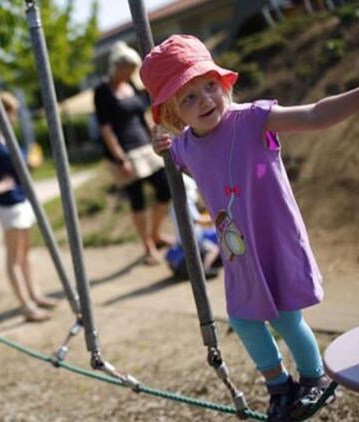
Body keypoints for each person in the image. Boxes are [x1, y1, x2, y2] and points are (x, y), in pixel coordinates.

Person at [141, 34, 348, 420]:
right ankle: (279, 386)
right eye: (188, 97)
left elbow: (316, 114)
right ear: (173, 113)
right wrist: (159, 141)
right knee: (242, 318)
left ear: (223, 85)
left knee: (286, 317)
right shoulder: (185, 147)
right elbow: (166, 143)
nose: (204, 100)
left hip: (272, 239)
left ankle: (314, 379)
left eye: (209, 86)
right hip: (239, 254)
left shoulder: (253, 118)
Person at [0, 92, 57, 322]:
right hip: (8, 204)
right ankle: (26, 306)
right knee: (14, 258)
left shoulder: (2, 136)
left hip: (20, 199)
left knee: (25, 253)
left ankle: (36, 295)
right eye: (14, 113)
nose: (16, 118)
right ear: (3, 112)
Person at [93, 41, 173, 265]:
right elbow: (105, 128)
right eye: (126, 67)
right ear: (116, 66)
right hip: (124, 152)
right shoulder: (102, 91)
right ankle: (148, 247)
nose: (129, 72)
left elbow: (142, 117)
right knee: (137, 200)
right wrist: (120, 159)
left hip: (144, 148)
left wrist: (155, 135)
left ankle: (155, 235)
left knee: (165, 190)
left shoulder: (133, 87)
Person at [167, 174, 220, 279]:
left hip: (182, 239)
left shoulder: (172, 204)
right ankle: (205, 269)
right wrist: (214, 218)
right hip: (195, 239)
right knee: (214, 250)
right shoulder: (186, 203)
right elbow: (197, 220)